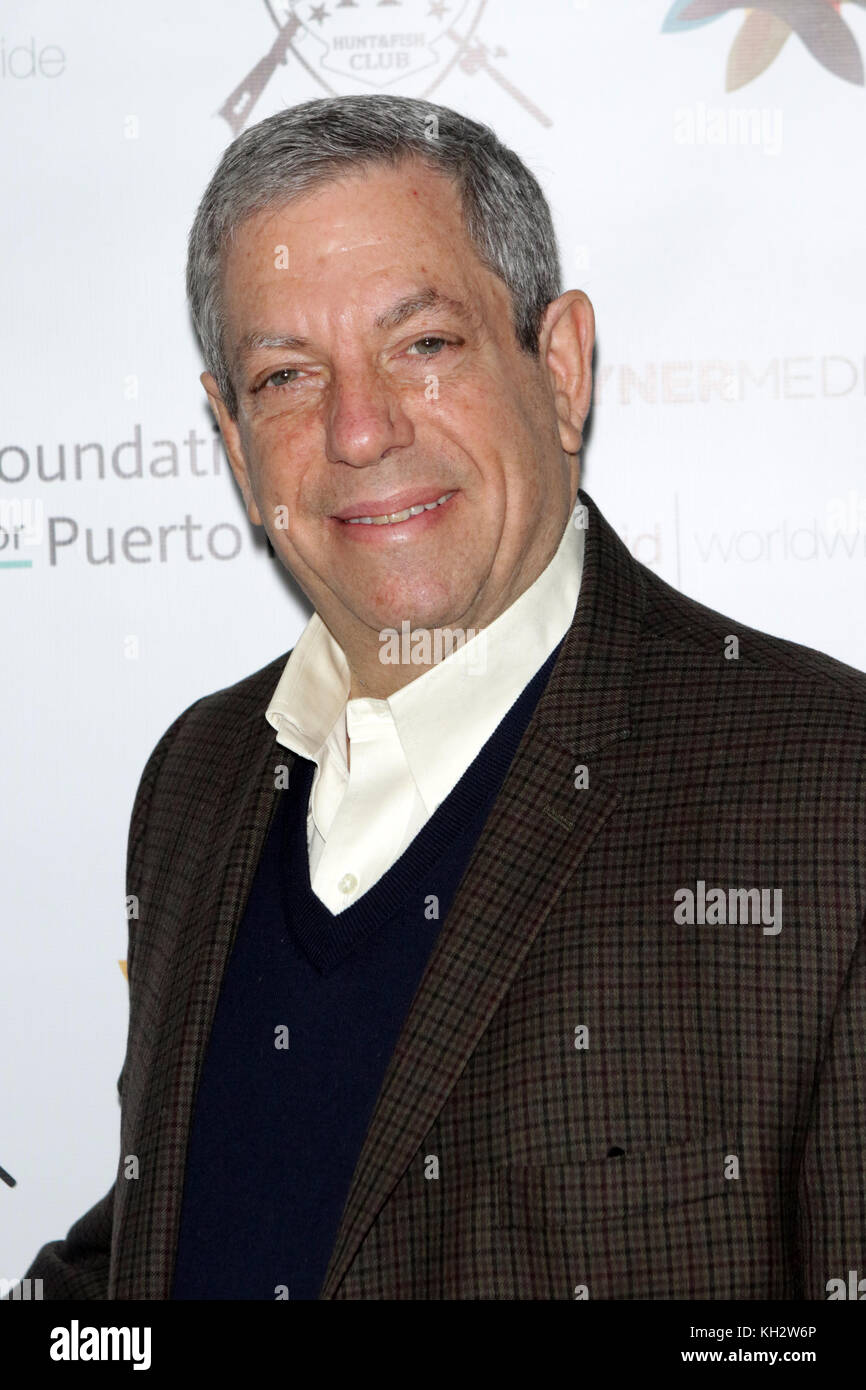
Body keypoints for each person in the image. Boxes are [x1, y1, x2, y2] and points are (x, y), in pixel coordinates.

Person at [19, 94, 866, 1300]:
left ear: (559, 365)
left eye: (422, 344)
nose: (358, 429)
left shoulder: (830, 795)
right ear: (229, 430)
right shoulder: (199, 776)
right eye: (286, 375)